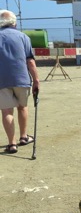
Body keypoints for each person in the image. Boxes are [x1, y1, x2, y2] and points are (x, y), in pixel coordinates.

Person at [0, 10, 40, 154]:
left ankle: (12, 144)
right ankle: (24, 136)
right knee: (22, 107)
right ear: (14, 22)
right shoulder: (23, 37)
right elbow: (30, 61)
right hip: (21, 78)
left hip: (2, 80)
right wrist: (36, 80)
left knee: (6, 111)